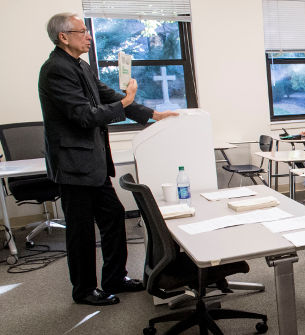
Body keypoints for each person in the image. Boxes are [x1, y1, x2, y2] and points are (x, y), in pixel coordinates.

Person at [39, 13, 177, 305]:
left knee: (113, 217)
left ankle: (115, 277)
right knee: (81, 232)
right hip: (74, 166)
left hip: (94, 164)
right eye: (82, 31)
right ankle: (85, 290)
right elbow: (84, 116)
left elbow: (108, 96)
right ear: (64, 37)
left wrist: (153, 115)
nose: (89, 36)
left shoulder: (82, 66)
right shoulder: (55, 70)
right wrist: (123, 103)